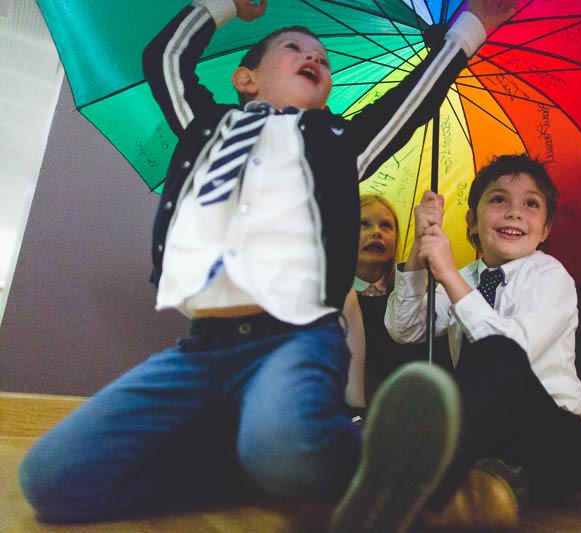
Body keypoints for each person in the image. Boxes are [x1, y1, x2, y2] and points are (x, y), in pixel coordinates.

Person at [17, 1, 518, 531]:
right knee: (50, 481)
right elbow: (163, 58)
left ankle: (401, 473)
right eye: (295, 49)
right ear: (246, 78)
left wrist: (471, 29)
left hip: (295, 339)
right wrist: (226, 5)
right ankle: (272, 472)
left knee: (281, 448)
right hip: (203, 349)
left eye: (321, 59)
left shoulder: (337, 145)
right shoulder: (207, 125)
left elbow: (411, 101)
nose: (314, 58)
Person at [385, 154, 581, 530]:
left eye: (530, 204)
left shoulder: (550, 275)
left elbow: (512, 351)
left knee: (494, 352)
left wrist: (447, 274)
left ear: (544, 229)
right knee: (481, 467)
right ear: (472, 224)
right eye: (498, 200)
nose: (514, 213)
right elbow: (407, 329)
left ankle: (424, 488)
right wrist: (418, 253)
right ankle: (484, 486)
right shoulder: (465, 276)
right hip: (484, 440)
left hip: (551, 439)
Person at [350, 194, 431, 402]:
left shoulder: (411, 300)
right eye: (363, 224)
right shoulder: (329, 299)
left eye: (386, 226)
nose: (376, 232)